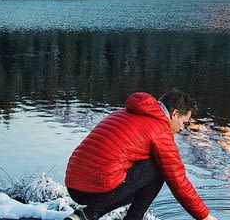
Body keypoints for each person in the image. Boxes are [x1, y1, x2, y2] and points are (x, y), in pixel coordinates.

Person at [63, 89, 214, 220]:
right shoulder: (160, 130)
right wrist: (204, 216)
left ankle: (86, 215)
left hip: (73, 185)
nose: (182, 129)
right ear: (174, 114)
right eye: (184, 122)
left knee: (145, 167)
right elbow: (178, 181)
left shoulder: (124, 112)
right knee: (160, 168)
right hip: (96, 187)